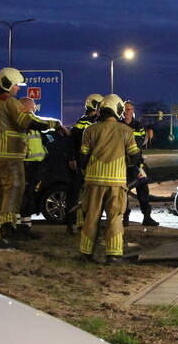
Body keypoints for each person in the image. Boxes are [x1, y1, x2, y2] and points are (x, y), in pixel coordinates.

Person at [0, 68, 59, 245]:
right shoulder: (9, 101)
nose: (18, 88)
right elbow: (28, 121)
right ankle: (7, 226)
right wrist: (54, 124)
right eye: (16, 85)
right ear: (7, 84)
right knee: (14, 188)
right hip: (10, 154)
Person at [78, 94, 142, 263]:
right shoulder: (126, 131)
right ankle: (113, 255)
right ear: (117, 110)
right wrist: (126, 162)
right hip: (116, 181)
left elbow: (82, 158)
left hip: (93, 181)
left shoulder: (90, 130)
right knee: (114, 217)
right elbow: (135, 156)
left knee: (91, 217)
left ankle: (85, 252)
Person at [17, 96, 64, 239]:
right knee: (24, 197)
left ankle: (25, 227)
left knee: (29, 196)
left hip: (34, 164)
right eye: (33, 107)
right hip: (26, 164)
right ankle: (19, 229)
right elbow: (42, 122)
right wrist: (57, 124)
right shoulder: (26, 119)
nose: (34, 110)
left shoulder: (30, 121)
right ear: (25, 108)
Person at [65, 94, 102, 234]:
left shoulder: (95, 122)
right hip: (82, 164)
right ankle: (72, 224)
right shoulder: (84, 121)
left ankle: (83, 224)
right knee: (75, 195)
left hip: (90, 164)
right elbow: (72, 141)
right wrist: (72, 158)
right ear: (94, 106)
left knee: (86, 196)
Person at [121, 100, 158, 227]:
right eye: (125, 109)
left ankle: (147, 217)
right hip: (123, 165)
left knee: (143, 190)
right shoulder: (118, 125)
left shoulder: (138, 126)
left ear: (133, 111)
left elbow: (140, 143)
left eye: (129, 109)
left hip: (137, 164)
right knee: (123, 191)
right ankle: (125, 217)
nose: (127, 112)